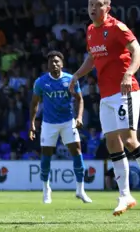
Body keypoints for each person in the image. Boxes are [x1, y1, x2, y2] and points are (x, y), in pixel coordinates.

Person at [69, 0, 140, 216]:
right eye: (90, 4)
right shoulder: (91, 30)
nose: (93, 8)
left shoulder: (118, 28)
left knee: (129, 139)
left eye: (98, 5)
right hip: (106, 95)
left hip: (125, 91)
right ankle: (125, 195)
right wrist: (76, 75)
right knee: (113, 143)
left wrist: (128, 74)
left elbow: (138, 52)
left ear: (107, 7)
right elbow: (92, 58)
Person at [29, 51, 92, 204]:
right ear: (47, 65)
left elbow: (80, 100)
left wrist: (79, 117)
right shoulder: (40, 82)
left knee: (77, 152)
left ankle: (80, 190)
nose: (54, 64)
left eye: (57, 61)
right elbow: (34, 103)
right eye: (51, 62)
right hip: (49, 124)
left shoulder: (71, 79)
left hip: (67, 122)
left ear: (62, 64)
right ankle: (46, 189)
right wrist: (32, 123)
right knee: (46, 156)